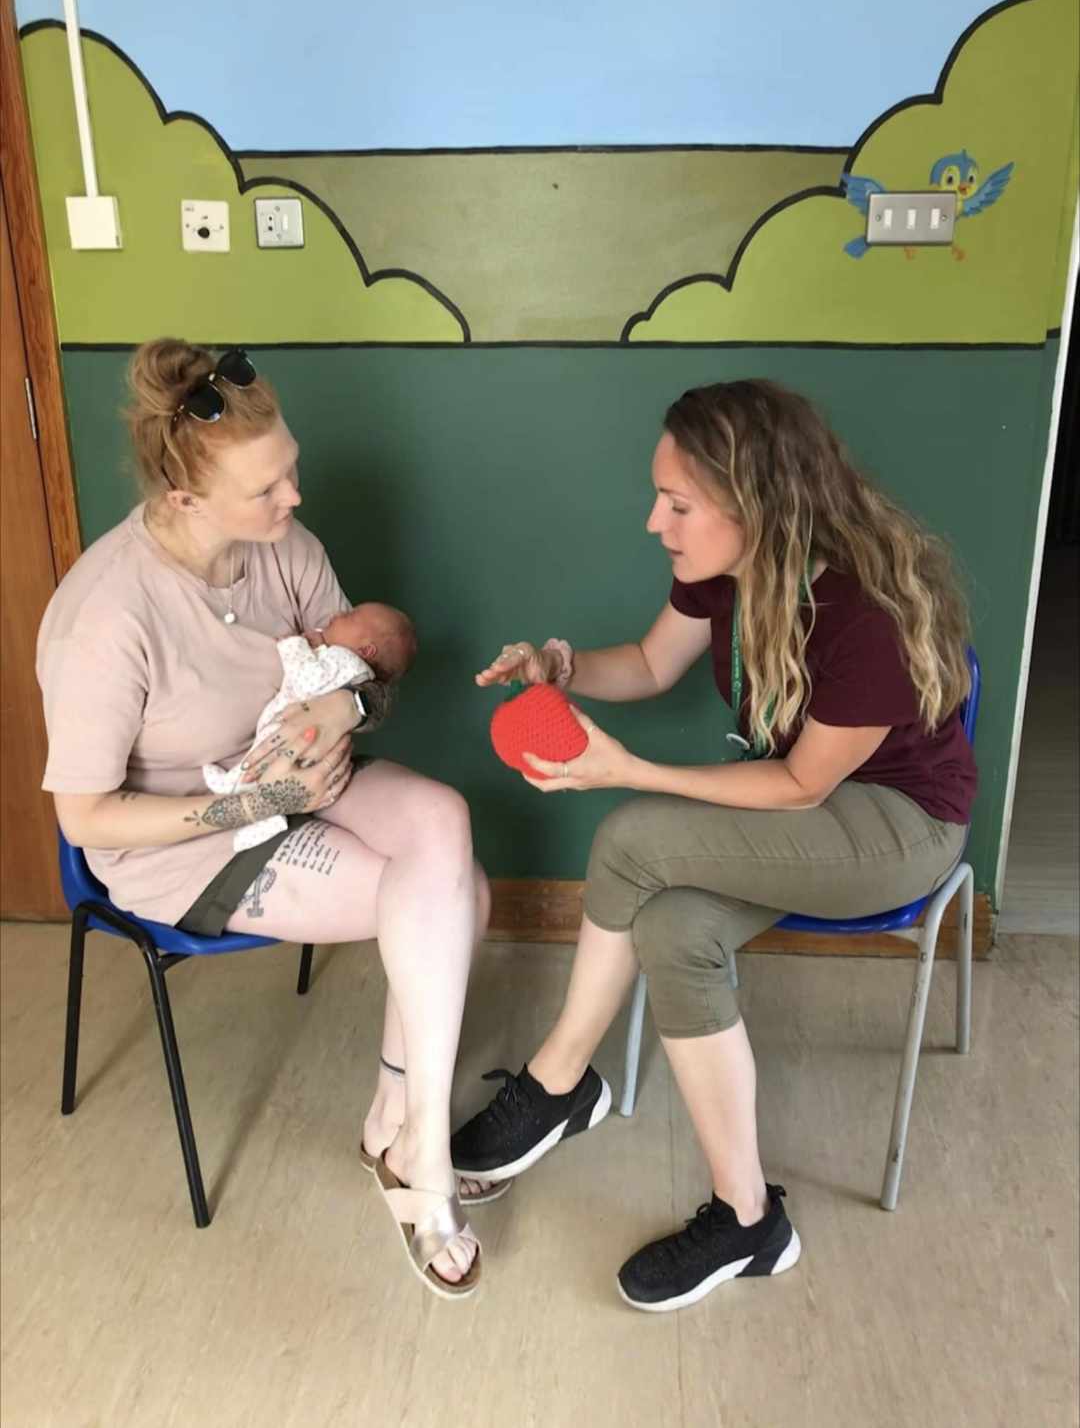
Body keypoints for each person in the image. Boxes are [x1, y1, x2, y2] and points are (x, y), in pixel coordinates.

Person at [450, 378, 977, 1312]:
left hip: (897, 824)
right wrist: (559, 670)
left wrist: (629, 773)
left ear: (759, 505)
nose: (657, 521)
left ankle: (559, 1081)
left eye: (678, 503)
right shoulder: (724, 570)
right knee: (675, 929)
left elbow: (801, 784)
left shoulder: (866, 615)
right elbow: (653, 663)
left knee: (628, 836)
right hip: (804, 817)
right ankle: (749, 1222)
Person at [37, 340, 488, 1300]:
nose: (293, 500)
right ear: (184, 497)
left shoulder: (288, 549)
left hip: (301, 778)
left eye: (291, 470)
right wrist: (259, 802)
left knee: (445, 828)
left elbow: (358, 665)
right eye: (267, 489)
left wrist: (344, 709)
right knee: (448, 899)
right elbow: (84, 817)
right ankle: (423, 1154)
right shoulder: (107, 615)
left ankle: (396, 1128)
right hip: (183, 841)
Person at [201, 601, 418, 851]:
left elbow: (308, 681)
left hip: (301, 731)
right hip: (299, 729)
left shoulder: (344, 659)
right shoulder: (345, 661)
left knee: (269, 760)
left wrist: (294, 644)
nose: (336, 614)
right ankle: (233, 784)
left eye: (348, 616)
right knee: (264, 757)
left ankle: (267, 818)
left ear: (366, 650)